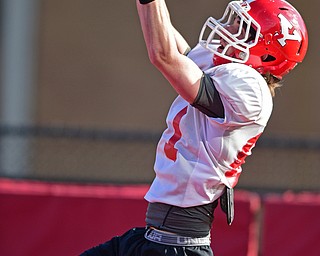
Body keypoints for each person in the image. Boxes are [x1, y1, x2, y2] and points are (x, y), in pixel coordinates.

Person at [81, 0, 308, 255]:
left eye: (242, 27)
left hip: (180, 246)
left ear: (267, 53)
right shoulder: (228, 69)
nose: (231, 28)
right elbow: (167, 38)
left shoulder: (251, 89)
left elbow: (164, 56)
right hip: (155, 238)